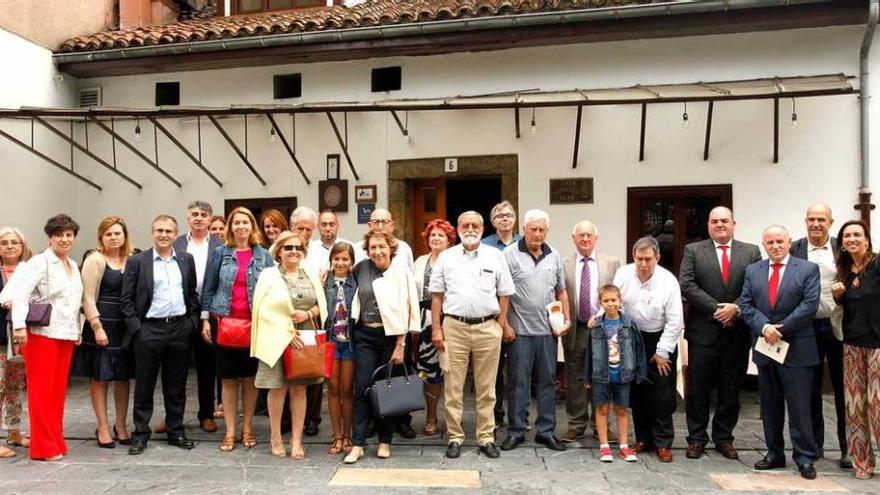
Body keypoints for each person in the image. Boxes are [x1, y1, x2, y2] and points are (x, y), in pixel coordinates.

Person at [431, 211, 515, 460]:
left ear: (482, 228)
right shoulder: (446, 258)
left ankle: (486, 437)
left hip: (487, 328)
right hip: (454, 328)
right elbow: (437, 295)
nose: (470, 229)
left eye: (475, 225)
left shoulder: (496, 256)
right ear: (457, 229)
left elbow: (506, 292)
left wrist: (499, 324)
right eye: (465, 225)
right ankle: (455, 437)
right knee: (453, 386)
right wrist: (437, 328)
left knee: (487, 388)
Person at [679, 207, 760, 460]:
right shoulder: (694, 250)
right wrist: (717, 309)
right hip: (703, 332)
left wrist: (735, 308)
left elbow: (754, 286)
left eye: (724, 220)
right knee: (699, 389)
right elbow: (687, 283)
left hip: (737, 332)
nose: (720, 225)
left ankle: (724, 438)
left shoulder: (751, 251)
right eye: (714, 221)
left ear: (734, 223)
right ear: (708, 225)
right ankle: (696, 438)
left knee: (730, 389)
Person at [740, 225, 820, 480]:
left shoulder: (807, 269)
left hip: (797, 346)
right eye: (770, 242)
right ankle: (774, 453)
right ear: (764, 245)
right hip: (766, 347)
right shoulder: (754, 271)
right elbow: (745, 304)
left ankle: (805, 457)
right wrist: (764, 327)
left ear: (789, 243)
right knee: (770, 405)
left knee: (800, 406)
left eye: (779, 241)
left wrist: (781, 329)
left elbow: (809, 305)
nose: (775, 246)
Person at [121, 215, 200, 456]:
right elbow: (127, 300)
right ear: (152, 233)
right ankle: (141, 433)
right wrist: (138, 329)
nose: (163, 234)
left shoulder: (186, 260)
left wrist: (191, 323)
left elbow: (192, 294)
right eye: (159, 230)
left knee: (176, 385)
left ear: (176, 234)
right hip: (149, 330)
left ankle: (175, 431)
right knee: (144, 385)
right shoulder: (137, 261)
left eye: (168, 231)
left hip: (179, 329)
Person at [6, 214, 83, 461]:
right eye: (59, 234)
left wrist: (78, 330)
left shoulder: (72, 264)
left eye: (68, 234)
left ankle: (56, 440)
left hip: (66, 334)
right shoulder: (39, 262)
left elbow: (74, 303)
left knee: (57, 392)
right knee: (41, 392)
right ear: (50, 238)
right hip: (41, 335)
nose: (64, 239)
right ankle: (43, 447)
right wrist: (18, 327)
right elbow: (18, 294)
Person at [343, 230, 420, 464]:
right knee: (363, 388)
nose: (377, 251)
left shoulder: (401, 272)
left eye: (381, 246)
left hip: (392, 338)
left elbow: (409, 307)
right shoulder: (361, 268)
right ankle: (358, 444)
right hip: (365, 334)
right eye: (373, 247)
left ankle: (385, 441)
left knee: (387, 389)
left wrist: (401, 344)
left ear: (391, 248)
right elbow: (343, 280)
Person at [201, 207, 274, 452]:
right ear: (230, 226)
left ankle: (248, 428)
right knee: (229, 380)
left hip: (255, 326)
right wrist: (204, 320)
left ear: (252, 226)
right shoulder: (220, 253)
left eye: (246, 222)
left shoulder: (264, 256)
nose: (241, 226)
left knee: (250, 379)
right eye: (236, 222)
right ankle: (231, 431)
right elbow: (209, 289)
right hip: (225, 324)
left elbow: (273, 290)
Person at [251, 230, 327, 459]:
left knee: (299, 389)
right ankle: (275, 437)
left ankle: (296, 440)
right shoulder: (268, 275)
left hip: (303, 338)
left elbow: (322, 304)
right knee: (277, 389)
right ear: (278, 252)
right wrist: (285, 331)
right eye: (288, 248)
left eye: (297, 248)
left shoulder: (311, 275)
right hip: (276, 337)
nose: (294, 251)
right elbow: (260, 309)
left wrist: (308, 314)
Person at [501, 210, 570, 452]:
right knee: (518, 383)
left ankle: (546, 431)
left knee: (548, 382)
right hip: (519, 331)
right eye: (533, 229)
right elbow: (502, 293)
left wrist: (566, 319)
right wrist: (504, 324)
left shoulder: (554, 255)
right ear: (524, 229)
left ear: (547, 231)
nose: (537, 234)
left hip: (547, 332)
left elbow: (561, 291)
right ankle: (517, 430)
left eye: (542, 230)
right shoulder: (510, 254)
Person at [612, 236, 683, 463]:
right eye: (639, 259)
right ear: (633, 257)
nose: (643, 264)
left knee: (662, 393)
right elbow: (615, 306)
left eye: (648, 259)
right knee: (637, 390)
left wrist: (662, 352)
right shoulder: (623, 274)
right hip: (632, 338)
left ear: (658, 258)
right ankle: (643, 438)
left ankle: (663, 443)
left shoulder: (668, 280)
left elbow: (675, 321)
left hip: (660, 338)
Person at [791, 203, 850, 468]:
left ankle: (847, 448)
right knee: (810, 388)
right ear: (805, 221)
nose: (816, 224)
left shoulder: (843, 248)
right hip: (807, 328)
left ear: (831, 222)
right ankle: (813, 446)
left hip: (838, 327)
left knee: (843, 390)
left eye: (821, 219)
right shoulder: (796, 249)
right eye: (811, 219)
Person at [71, 217, 137, 449]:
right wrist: (97, 326)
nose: (113, 237)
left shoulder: (132, 259)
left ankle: (121, 424)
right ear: (101, 237)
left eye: (117, 233)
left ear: (124, 236)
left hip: (124, 325)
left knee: (123, 377)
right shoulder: (95, 260)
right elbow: (87, 296)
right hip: (101, 323)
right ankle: (103, 426)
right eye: (108, 234)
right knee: (100, 377)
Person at [163, 200, 223, 435]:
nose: (199, 218)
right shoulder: (175, 243)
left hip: (209, 311)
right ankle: (172, 418)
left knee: (207, 366)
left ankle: (206, 414)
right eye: (195, 214)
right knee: (175, 366)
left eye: (204, 215)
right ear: (188, 218)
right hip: (181, 311)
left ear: (210, 220)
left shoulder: (220, 245)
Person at [561, 220, 620, 444]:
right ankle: (576, 425)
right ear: (573, 238)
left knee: (603, 377)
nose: (585, 239)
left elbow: (618, 295)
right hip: (576, 328)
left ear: (596, 238)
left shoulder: (612, 263)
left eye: (589, 235)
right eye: (580, 235)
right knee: (575, 378)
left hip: (604, 330)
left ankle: (601, 425)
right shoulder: (564, 264)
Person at [831, 220, 880, 480]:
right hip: (852, 344)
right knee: (855, 405)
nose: (851, 239)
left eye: (856, 235)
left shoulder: (878, 264)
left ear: (866, 239)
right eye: (847, 236)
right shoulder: (844, 271)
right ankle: (862, 463)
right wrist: (839, 296)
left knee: (878, 405)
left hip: (878, 345)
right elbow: (847, 308)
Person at [583, 284, 647, 463]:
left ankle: (624, 446)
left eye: (613, 300)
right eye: (606, 300)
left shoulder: (629, 325)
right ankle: (604, 447)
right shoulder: (596, 326)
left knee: (621, 410)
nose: (610, 304)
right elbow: (589, 351)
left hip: (623, 374)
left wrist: (640, 372)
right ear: (600, 302)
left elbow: (638, 349)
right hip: (601, 375)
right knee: (601, 408)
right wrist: (587, 375)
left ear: (620, 301)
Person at [481, 200, 523, 428]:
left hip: (522, 316)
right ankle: (495, 417)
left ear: (515, 220)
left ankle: (519, 418)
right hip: (493, 316)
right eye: (499, 216)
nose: (504, 219)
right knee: (493, 372)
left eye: (508, 215)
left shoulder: (524, 243)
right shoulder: (484, 246)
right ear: (493, 221)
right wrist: (501, 321)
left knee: (519, 372)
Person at [413, 219, 456, 436]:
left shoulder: (456, 260)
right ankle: (431, 417)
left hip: (449, 319)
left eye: (442, 235)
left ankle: (452, 420)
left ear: (449, 240)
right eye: (433, 235)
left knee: (450, 371)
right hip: (423, 321)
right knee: (428, 372)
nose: (436, 238)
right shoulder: (420, 261)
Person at [289, 206, 324, 437]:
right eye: (300, 228)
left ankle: (312, 418)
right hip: (286, 319)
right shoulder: (280, 249)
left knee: (312, 368)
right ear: (292, 227)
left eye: (309, 229)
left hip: (312, 318)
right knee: (287, 369)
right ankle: (286, 418)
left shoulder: (321, 252)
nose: (304, 232)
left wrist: (310, 313)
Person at [0, 227, 33, 458]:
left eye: (15, 242)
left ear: (22, 246)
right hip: (0, 339)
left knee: (14, 387)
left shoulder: (29, 271)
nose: (10, 246)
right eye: (4, 243)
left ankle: (14, 432)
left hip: (21, 338)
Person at [323, 242, 357, 455]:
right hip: (331, 341)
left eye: (345, 259)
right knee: (333, 388)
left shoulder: (356, 281)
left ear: (352, 262)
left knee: (347, 389)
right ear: (331, 261)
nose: (341, 263)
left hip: (351, 342)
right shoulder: (325, 280)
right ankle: (336, 436)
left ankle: (348, 435)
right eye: (337, 259)